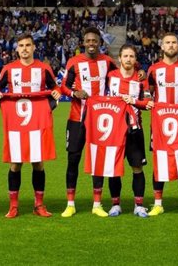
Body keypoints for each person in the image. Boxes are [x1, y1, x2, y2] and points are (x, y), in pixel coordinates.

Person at [0, 34, 62, 218]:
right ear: (16, 49)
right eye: (21, 45)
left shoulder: (44, 68)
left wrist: (54, 97)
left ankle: (39, 204)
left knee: (38, 163)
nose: (24, 48)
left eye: (28, 45)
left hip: (37, 123)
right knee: (15, 164)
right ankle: (13, 206)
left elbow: (56, 87)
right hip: (16, 124)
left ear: (34, 48)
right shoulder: (8, 69)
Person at [60, 27, 117, 217]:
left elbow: (120, 78)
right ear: (83, 43)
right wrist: (74, 93)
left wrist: (139, 74)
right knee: (73, 160)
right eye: (88, 41)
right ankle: (70, 204)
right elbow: (64, 87)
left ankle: (97, 204)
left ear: (100, 42)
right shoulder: (74, 62)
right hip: (77, 118)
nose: (91, 44)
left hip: (99, 121)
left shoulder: (107, 62)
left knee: (98, 161)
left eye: (95, 41)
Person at [145, 32, 178, 217]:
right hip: (160, 123)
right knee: (160, 160)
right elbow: (148, 93)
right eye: (168, 43)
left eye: (174, 42)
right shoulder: (153, 70)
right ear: (162, 46)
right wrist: (149, 102)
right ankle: (158, 203)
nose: (171, 45)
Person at [100, 44, 149, 218]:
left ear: (136, 60)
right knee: (114, 169)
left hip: (134, 130)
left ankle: (139, 205)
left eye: (132, 56)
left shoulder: (142, 79)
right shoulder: (110, 76)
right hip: (113, 131)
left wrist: (133, 101)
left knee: (137, 168)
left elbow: (148, 104)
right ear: (119, 58)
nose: (128, 59)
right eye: (125, 56)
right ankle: (115, 204)